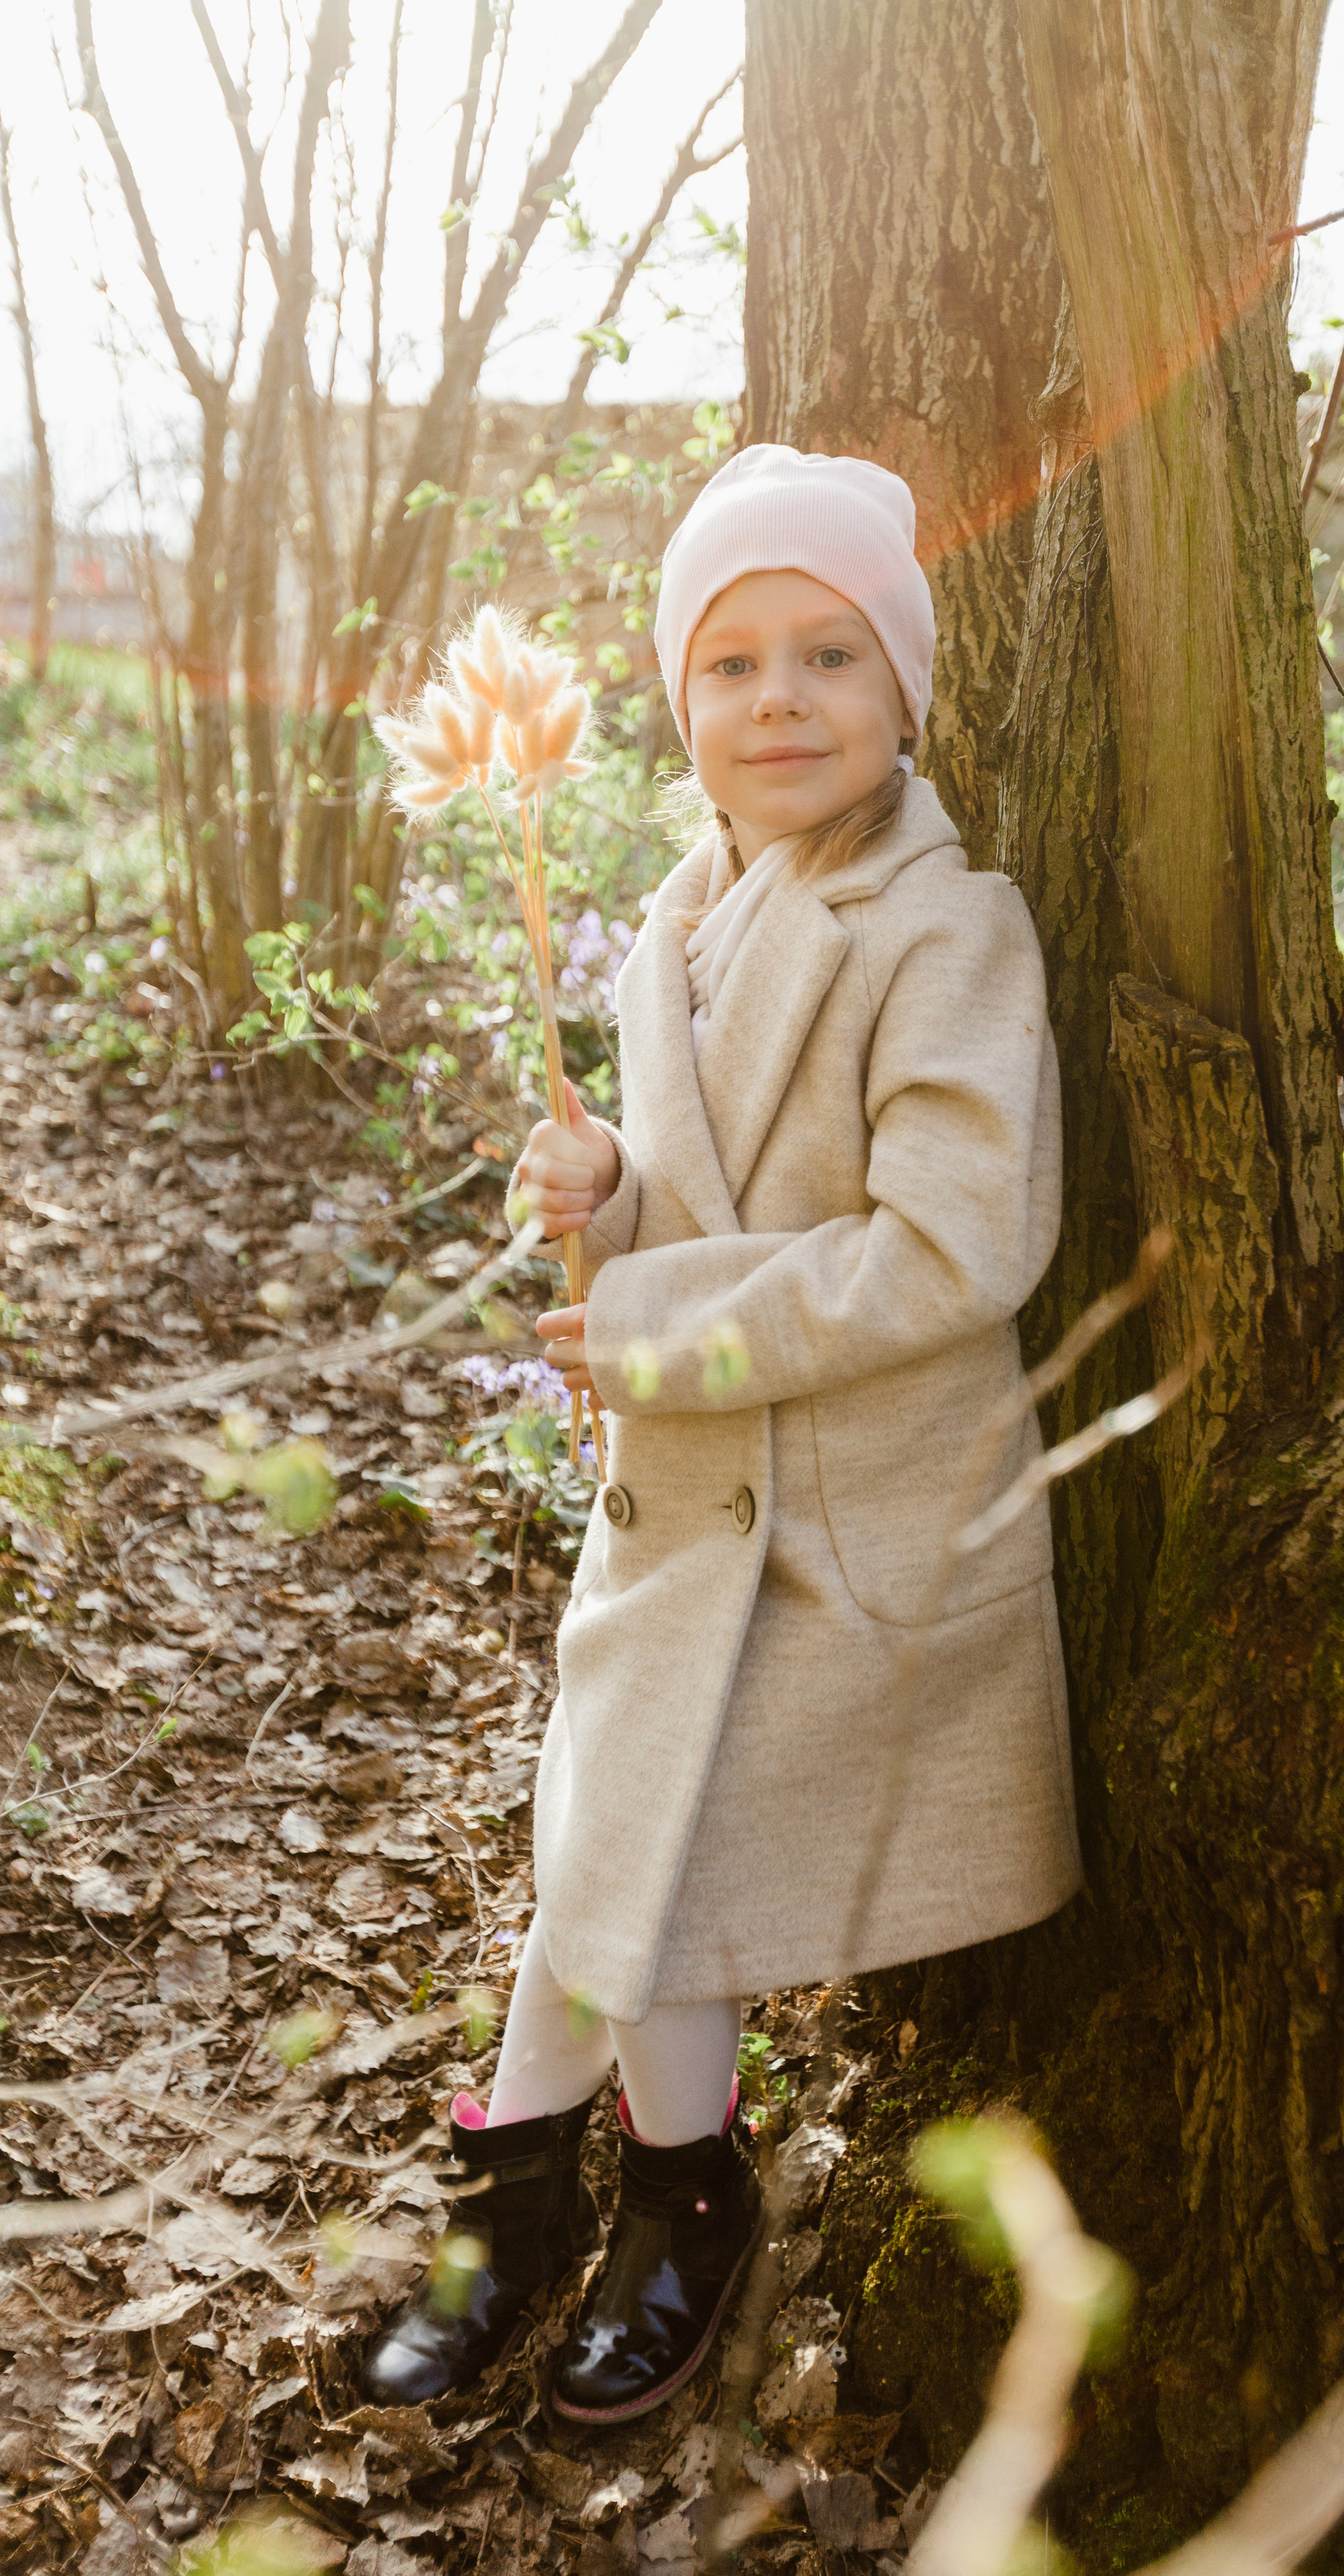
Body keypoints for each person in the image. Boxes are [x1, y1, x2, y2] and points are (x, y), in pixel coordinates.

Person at [362, 443, 1082, 2425]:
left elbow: (957, 1239)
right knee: (611, 1849)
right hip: (684, 1508)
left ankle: (642, 2198)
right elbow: (709, 1207)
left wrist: (663, 1320)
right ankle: (581, 2185)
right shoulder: (681, 923)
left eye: (831, 655)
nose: (780, 700)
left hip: (844, 1522)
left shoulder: (949, 931)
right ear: (684, 710)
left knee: (643, 1867)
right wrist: (610, 1195)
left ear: (904, 696)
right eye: (734, 662)